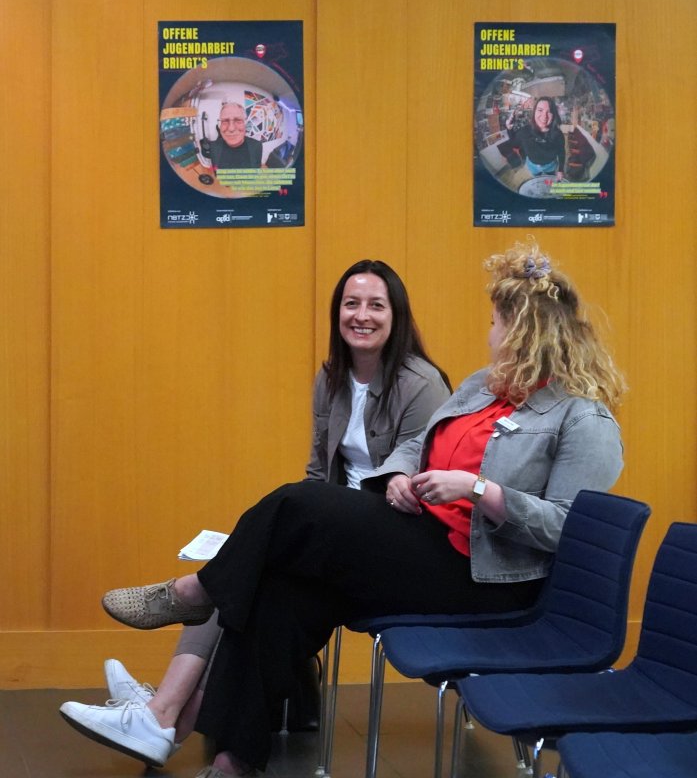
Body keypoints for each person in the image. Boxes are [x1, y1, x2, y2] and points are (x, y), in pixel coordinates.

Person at [61, 240, 626, 777]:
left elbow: (571, 528)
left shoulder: (584, 419)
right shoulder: (483, 387)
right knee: (278, 591)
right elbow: (419, 442)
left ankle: (194, 593)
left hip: (484, 579)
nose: (490, 333)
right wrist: (399, 475)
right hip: (423, 545)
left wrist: (479, 490)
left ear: (525, 333)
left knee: (300, 502)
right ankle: (233, 758)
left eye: (497, 323)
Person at [60, 259, 451, 769]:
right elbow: (318, 473)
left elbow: (416, 471)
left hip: (392, 541)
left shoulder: (422, 384)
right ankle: (192, 735)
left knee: (246, 560)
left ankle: (174, 663)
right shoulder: (331, 378)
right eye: (351, 303)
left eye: (376, 305)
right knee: (254, 578)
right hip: (336, 539)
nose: (362, 315)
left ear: (396, 316)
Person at [506, 96, 566, 181]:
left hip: (550, 166)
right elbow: (514, 143)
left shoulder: (558, 135)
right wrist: (509, 129)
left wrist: (560, 170)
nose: (544, 116)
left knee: (549, 180)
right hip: (532, 166)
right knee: (537, 180)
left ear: (554, 115)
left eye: (549, 112)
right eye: (540, 110)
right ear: (534, 112)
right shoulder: (525, 131)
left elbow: (561, 152)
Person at [209, 102, 263, 169]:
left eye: (238, 121)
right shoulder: (213, 147)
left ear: (245, 124)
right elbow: (215, 171)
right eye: (225, 121)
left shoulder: (257, 146)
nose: (231, 128)